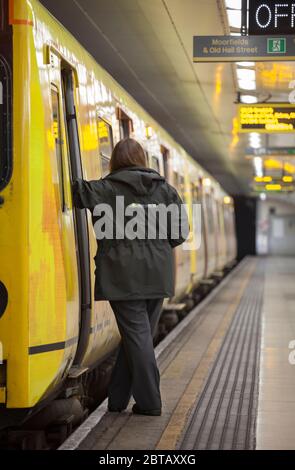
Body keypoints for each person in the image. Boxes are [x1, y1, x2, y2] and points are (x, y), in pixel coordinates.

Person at [72, 138, 189, 416]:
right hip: (158, 275)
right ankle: (117, 399)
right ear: (142, 161)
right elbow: (180, 234)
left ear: (114, 161)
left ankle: (150, 403)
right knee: (137, 336)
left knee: (138, 337)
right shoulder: (166, 191)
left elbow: (76, 191)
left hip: (123, 277)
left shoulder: (106, 189)